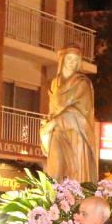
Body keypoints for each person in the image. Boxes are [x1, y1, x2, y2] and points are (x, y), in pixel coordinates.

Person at [41, 45, 97, 183]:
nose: (72, 62)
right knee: (54, 171)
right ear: (63, 59)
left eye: (76, 59)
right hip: (58, 133)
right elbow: (53, 110)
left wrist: (55, 121)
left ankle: (75, 203)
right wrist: (47, 123)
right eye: (69, 58)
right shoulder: (55, 83)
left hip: (75, 134)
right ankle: (53, 203)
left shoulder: (82, 83)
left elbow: (81, 110)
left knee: (75, 174)